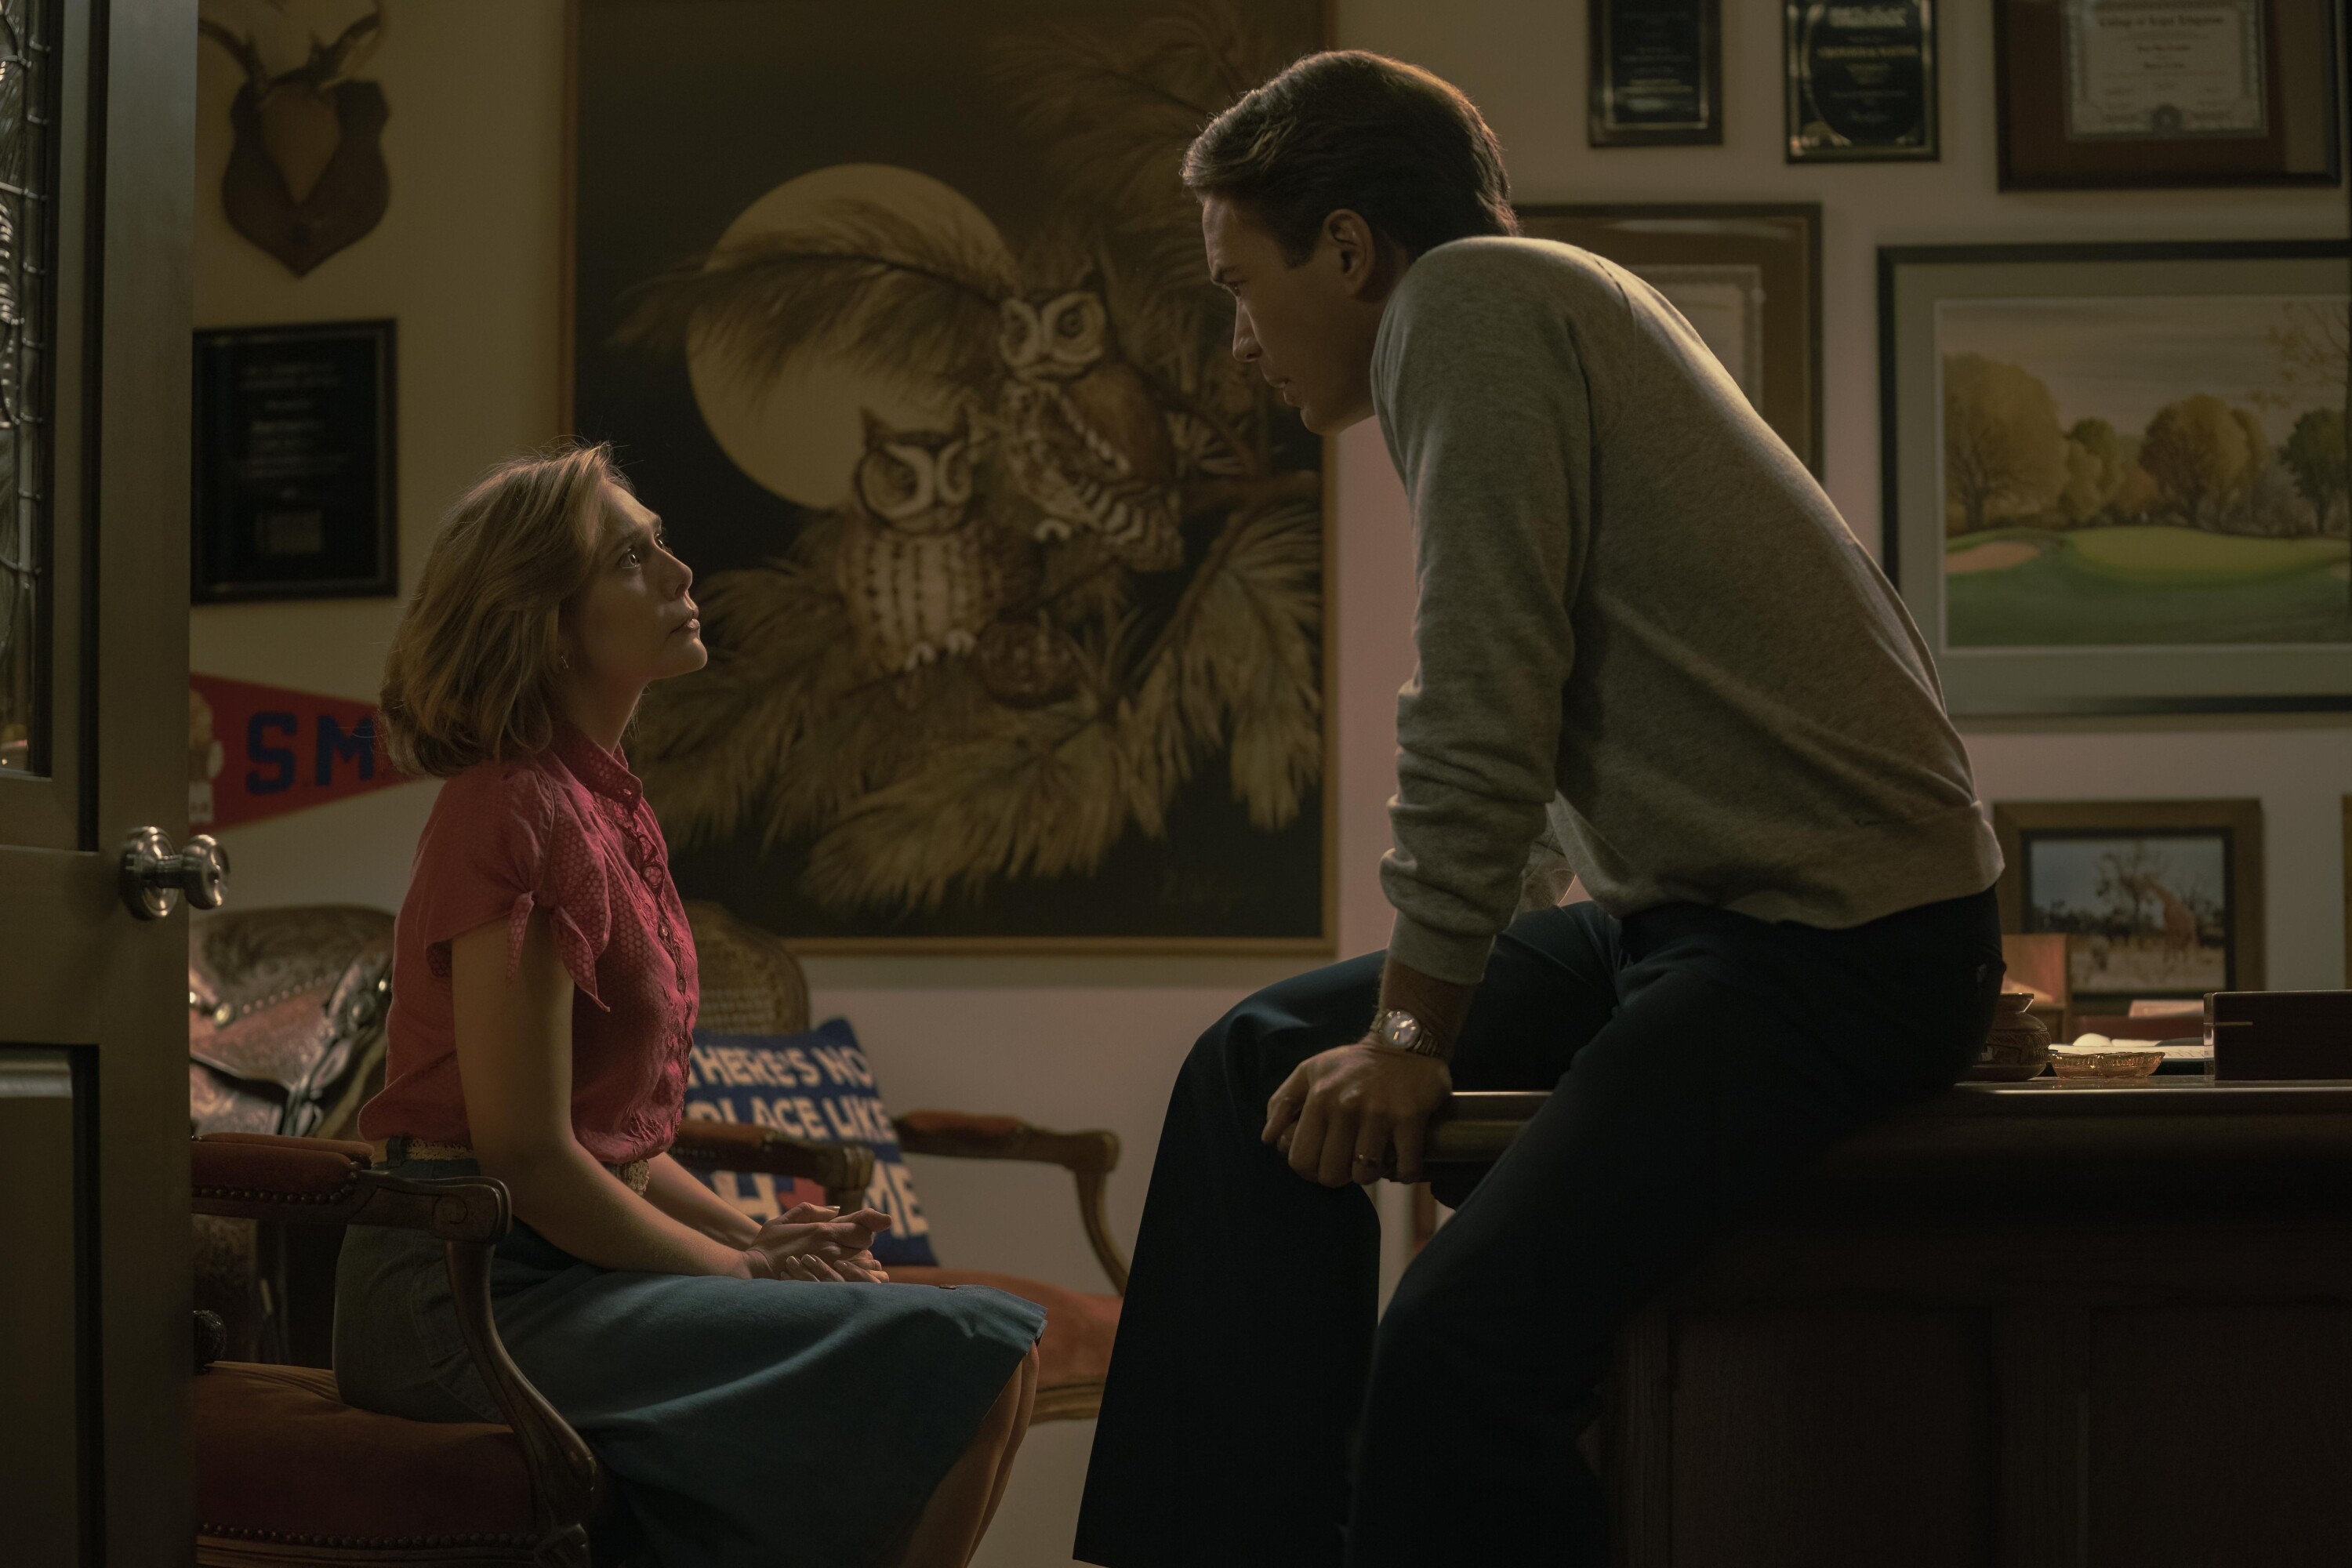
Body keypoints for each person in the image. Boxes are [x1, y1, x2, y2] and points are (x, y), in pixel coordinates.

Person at [1073, 52, 2005, 1567]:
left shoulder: (1468, 305)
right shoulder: (1525, 303)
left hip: (1837, 949)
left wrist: (1412, 1033)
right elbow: (1535, 694)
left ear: (1350, 248)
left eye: (1241, 286)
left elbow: (1482, 697)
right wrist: (1431, 1007)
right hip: (1693, 925)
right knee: (1256, 1064)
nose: (1238, 341)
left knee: (1456, 1362)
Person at [339, 442, 1044, 1568]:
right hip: (465, 1292)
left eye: (659, 542)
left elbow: (611, 1142)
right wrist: (740, 1271)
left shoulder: (597, 803)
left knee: (988, 1360)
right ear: (547, 621)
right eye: (631, 557)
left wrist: (758, 1237)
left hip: (565, 1264)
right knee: (976, 1356)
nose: (679, 571)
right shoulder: (510, 808)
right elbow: (526, 1157)